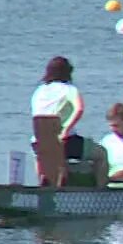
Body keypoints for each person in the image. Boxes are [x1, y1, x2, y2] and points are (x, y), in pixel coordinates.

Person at [30, 56, 84, 187]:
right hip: (65, 142)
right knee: (100, 154)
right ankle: (100, 194)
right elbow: (80, 109)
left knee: (43, 155)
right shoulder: (69, 89)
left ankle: (43, 178)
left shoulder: (39, 91)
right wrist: (66, 129)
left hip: (38, 141)